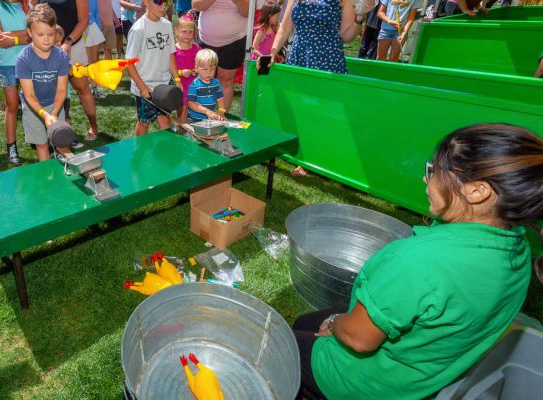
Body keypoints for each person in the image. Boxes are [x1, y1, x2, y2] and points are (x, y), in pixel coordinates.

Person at [292, 123, 543, 399]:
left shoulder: (418, 262)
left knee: (285, 345)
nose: (426, 179)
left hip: (364, 381)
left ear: (477, 191)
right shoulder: (518, 246)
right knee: (304, 322)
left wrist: (335, 320)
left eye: (434, 171)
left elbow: (359, 339)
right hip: (422, 377)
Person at [266, 0, 373, 176]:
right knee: (301, 108)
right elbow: (284, 28)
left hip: (327, 60)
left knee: (321, 112)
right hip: (300, 58)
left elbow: (346, 36)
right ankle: (304, 153)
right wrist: (272, 52)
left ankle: (314, 159)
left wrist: (359, 18)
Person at [16, 4, 74, 161]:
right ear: (30, 33)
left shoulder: (61, 57)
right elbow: (29, 95)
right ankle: (46, 180)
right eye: (40, 34)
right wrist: (44, 115)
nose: (47, 39)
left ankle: (68, 176)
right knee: (41, 144)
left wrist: (54, 114)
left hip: (55, 103)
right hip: (33, 107)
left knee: (61, 142)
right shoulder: (23, 59)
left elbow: (62, 90)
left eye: (51, 33)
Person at [38, 0, 100, 141]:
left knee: (82, 88)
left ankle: (93, 126)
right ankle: (60, 129)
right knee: (51, 92)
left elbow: (83, 20)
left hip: (73, 45)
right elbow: (34, 14)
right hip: (46, 48)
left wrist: (68, 41)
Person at [125, 0, 181, 135]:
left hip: (164, 85)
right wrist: (142, 87)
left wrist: (177, 79)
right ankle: (139, 153)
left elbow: (170, 54)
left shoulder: (167, 25)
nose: (163, 7)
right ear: (146, 2)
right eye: (158, 2)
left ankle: (165, 151)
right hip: (146, 86)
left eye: (167, 2)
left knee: (164, 119)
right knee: (144, 122)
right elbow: (129, 62)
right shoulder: (138, 28)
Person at [0, 0, 29, 165]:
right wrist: (26, 34)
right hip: (8, 63)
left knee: (35, 102)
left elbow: (38, 32)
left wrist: (16, 38)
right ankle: (11, 147)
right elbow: (0, 37)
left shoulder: (27, 4)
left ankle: (39, 139)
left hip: (31, 60)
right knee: (12, 105)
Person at [192, 0, 248, 111]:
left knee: (226, 80)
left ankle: (222, 116)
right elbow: (196, 5)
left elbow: (247, 12)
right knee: (203, 79)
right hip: (206, 39)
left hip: (234, 40)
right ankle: (201, 118)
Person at [173, 12, 199, 122]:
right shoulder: (173, 50)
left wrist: (196, 70)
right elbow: (169, 69)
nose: (187, 35)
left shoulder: (197, 49)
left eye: (190, 32)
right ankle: (181, 128)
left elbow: (202, 64)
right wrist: (180, 72)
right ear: (176, 31)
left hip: (194, 85)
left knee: (196, 111)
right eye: (184, 31)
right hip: (181, 85)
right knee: (182, 110)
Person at [187, 48, 225, 122]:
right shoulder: (194, 85)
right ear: (196, 68)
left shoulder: (216, 83)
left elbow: (220, 99)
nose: (209, 72)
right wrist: (207, 111)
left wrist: (221, 111)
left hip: (210, 119)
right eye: (205, 69)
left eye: (212, 69)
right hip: (194, 120)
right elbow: (191, 103)